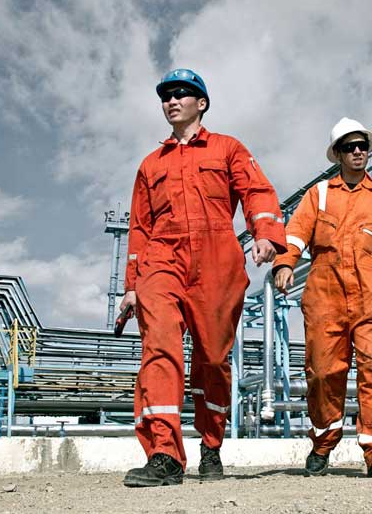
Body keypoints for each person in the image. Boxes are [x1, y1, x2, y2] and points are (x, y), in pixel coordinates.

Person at [120, 68, 286, 487]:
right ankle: (164, 455)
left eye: (182, 94)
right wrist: (132, 286)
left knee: (212, 360)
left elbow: (256, 191)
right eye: (166, 96)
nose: (172, 101)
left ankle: (211, 444)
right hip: (162, 258)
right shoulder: (150, 165)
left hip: (216, 260)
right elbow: (139, 228)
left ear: (202, 103)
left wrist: (265, 233)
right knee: (159, 348)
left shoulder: (227, 148)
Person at [273, 118, 372, 478]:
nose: (358, 151)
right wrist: (285, 264)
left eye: (363, 146)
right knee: (323, 374)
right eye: (350, 147)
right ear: (338, 154)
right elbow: (296, 233)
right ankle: (322, 442)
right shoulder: (318, 195)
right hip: (324, 297)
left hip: (370, 299)